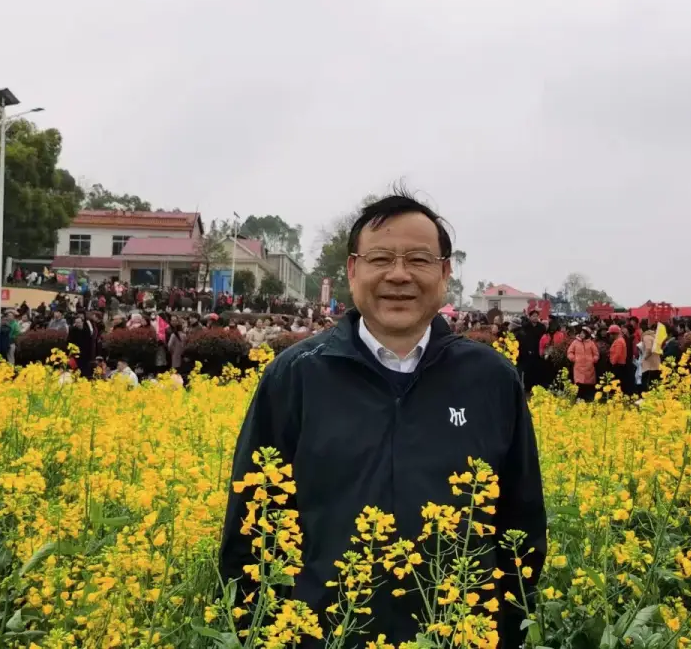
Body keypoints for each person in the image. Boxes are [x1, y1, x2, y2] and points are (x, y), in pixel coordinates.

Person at [220, 192, 546, 648]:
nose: (399, 274)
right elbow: (250, 532)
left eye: (419, 259)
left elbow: (522, 529)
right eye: (380, 258)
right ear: (353, 270)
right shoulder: (295, 376)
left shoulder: (491, 380)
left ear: (445, 273)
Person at [567, 326, 599, 401]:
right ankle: (579, 398)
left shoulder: (591, 343)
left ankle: (588, 398)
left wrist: (593, 360)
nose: (581, 334)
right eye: (581, 333)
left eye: (583, 333)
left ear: (587, 334)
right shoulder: (575, 342)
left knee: (588, 384)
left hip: (589, 367)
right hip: (578, 367)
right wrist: (573, 358)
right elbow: (570, 352)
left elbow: (596, 354)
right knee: (579, 383)